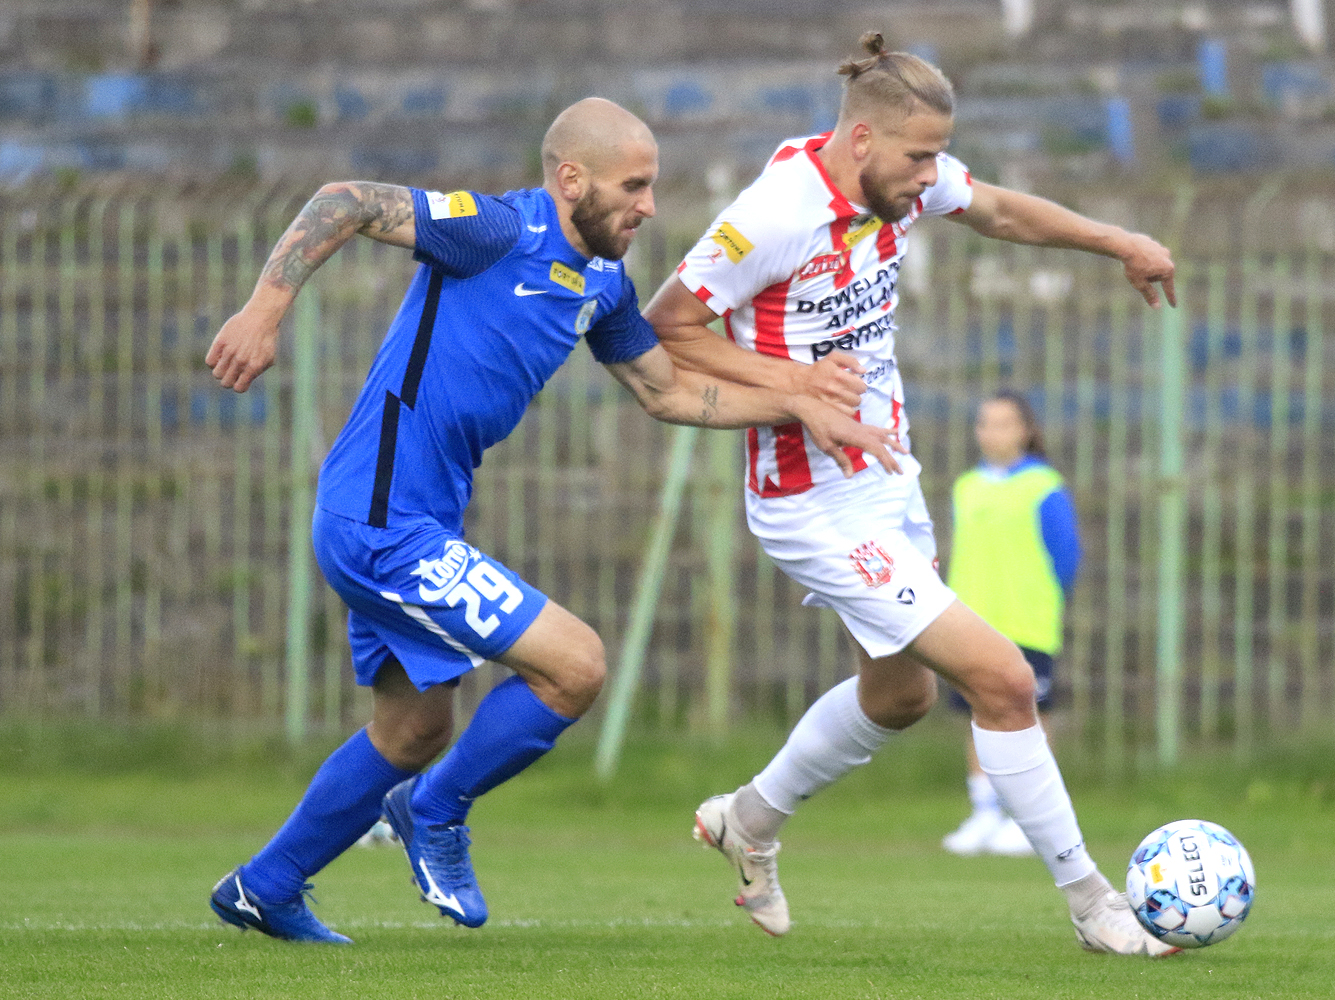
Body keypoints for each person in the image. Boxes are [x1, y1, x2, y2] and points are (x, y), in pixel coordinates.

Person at [202, 97, 902, 945]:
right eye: (633, 186)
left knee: (415, 727)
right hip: (379, 518)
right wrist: (263, 311)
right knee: (575, 667)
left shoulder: (604, 284)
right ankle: (434, 811)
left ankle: (266, 886)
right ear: (572, 180)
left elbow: (666, 391)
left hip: (418, 520)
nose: (650, 205)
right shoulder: (496, 229)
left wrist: (799, 405)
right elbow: (344, 200)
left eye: (651, 186)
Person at [642, 33, 1178, 956]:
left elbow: (996, 209)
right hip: (811, 503)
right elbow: (667, 327)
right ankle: (1095, 905)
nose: (932, 175)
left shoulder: (902, 181)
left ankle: (749, 820)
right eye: (920, 156)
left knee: (898, 698)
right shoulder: (773, 214)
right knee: (1004, 679)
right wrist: (797, 387)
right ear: (861, 140)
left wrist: (1117, 241)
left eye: (939, 156)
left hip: (885, 477)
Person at [941, 391, 1080, 858]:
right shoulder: (966, 486)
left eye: (1004, 423)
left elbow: (1066, 557)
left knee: (1032, 716)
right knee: (976, 714)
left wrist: (1039, 598)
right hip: (972, 623)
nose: (993, 433)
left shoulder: (1043, 486)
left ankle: (1030, 819)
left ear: (1025, 430)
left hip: (1026, 623)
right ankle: (984, 812)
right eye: (985, 423)